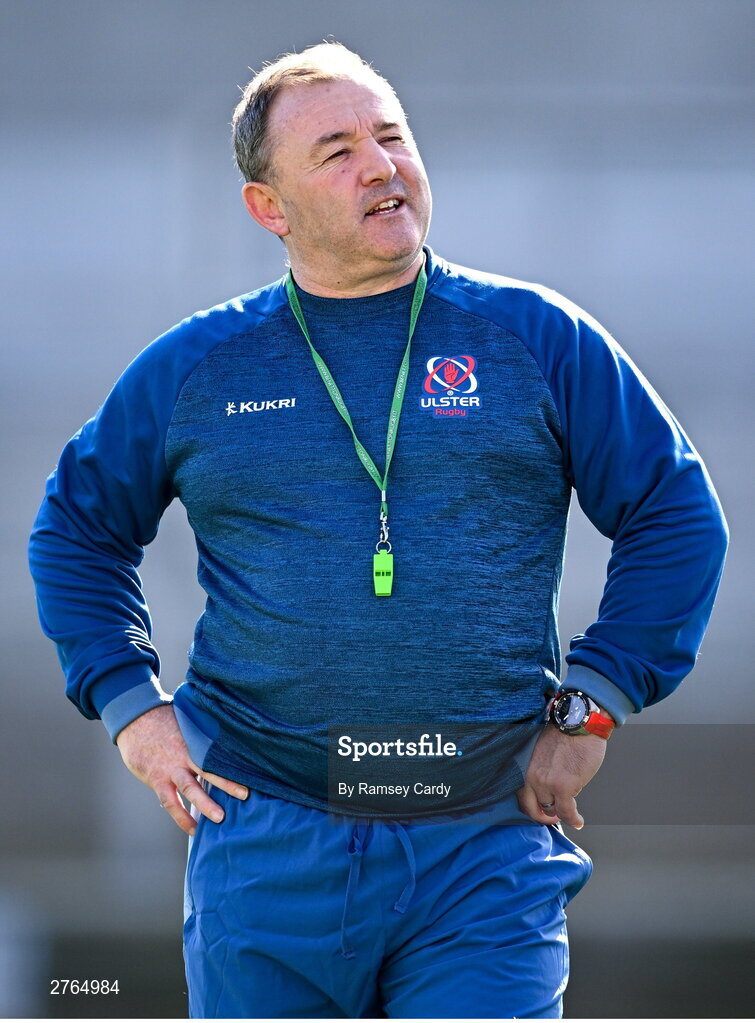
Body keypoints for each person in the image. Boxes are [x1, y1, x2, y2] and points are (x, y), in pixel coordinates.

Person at [29, 41, 728, 1019]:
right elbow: (74, 528)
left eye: (390, 136)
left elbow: (673, 515)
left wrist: (590, 705)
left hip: (481, 845)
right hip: (265, 842)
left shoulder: (533, 337)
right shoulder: (200, 366)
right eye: (336, 151)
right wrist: (130, 706)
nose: (381, 165)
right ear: (268, 207)